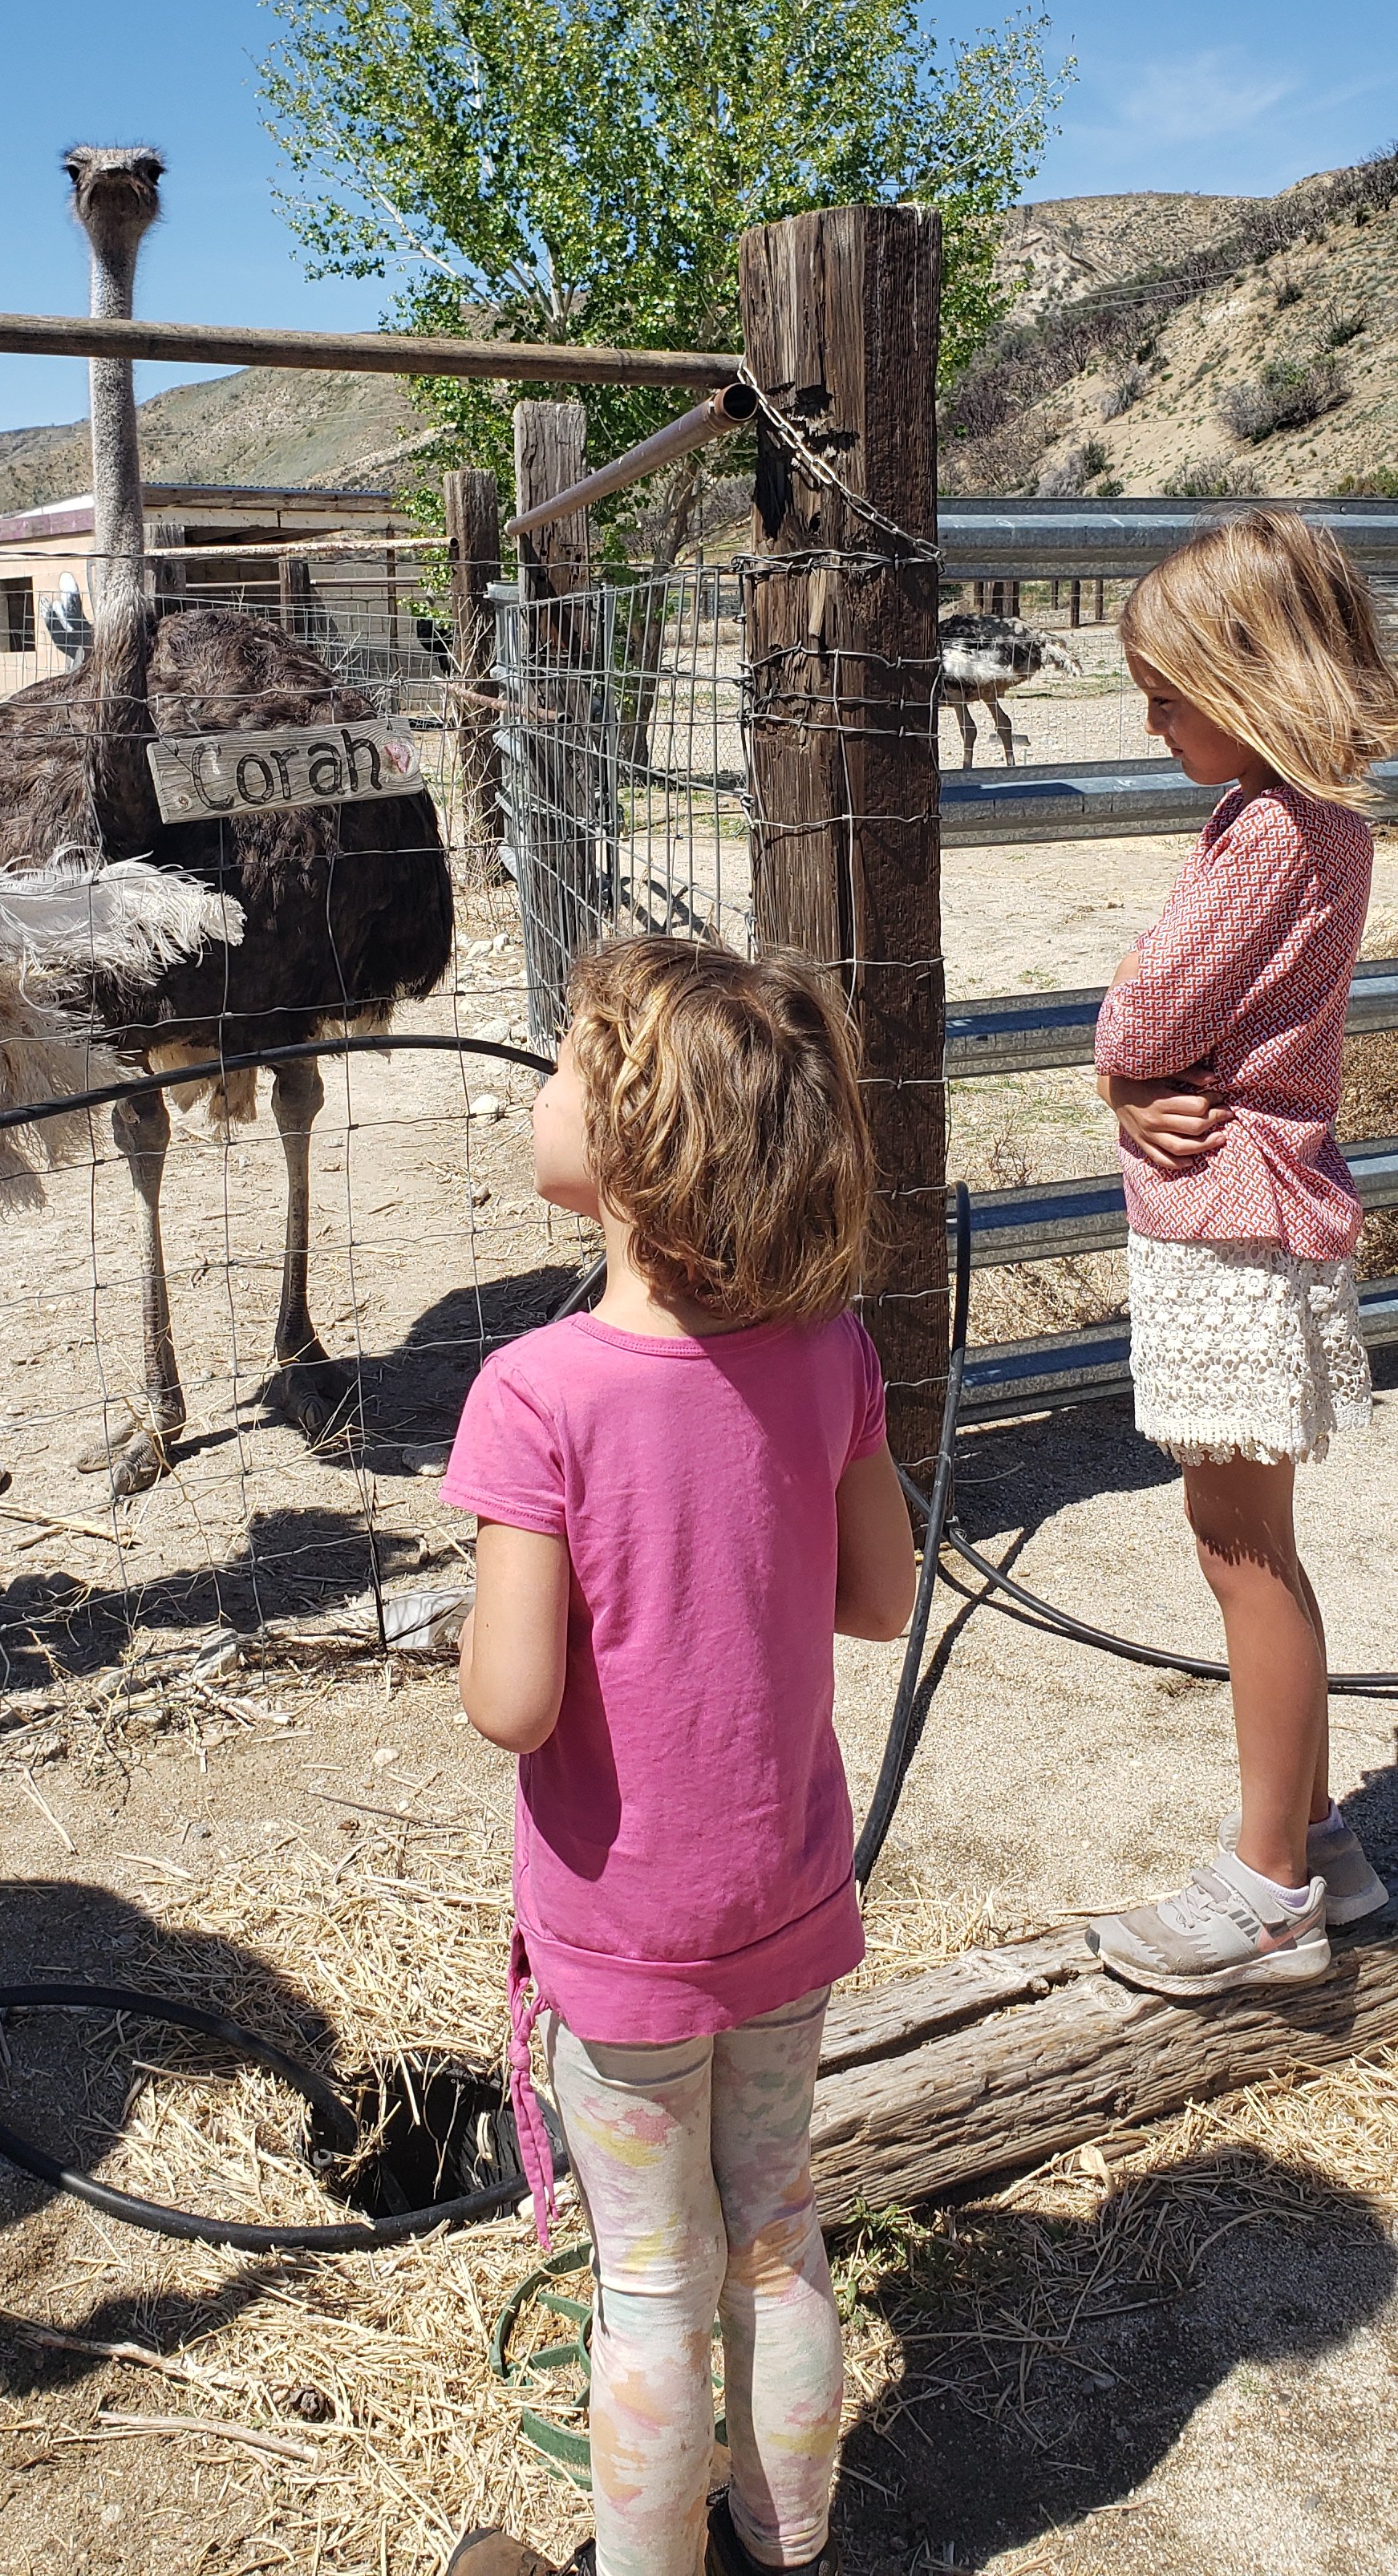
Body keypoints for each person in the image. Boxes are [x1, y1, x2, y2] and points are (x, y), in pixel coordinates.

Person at [441, 937, 917, 2576]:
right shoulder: (831, 1351)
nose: (543, 1088)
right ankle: (784, 2550)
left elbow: (511, 1705)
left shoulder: (533, 1396)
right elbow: (880, 1600)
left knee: (650, 2281)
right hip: (785, 1901)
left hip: (626, 1937)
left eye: (566, 1062)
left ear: (634, 1144)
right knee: (775, 2235)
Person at [1087, 508, 1398, 1999]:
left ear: (1252, 677)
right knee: (1252, 1539)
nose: (1153, 724)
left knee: (1241, 1551)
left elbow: (1147, 1013)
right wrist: (1134, 1085)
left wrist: (1120, 1062)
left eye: (1169, 696)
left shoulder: (1272, 831)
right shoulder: (1313, 821)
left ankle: (1271, 1890)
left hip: (1230, 1221)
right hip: (1257, 1207)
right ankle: (1323, 1837)